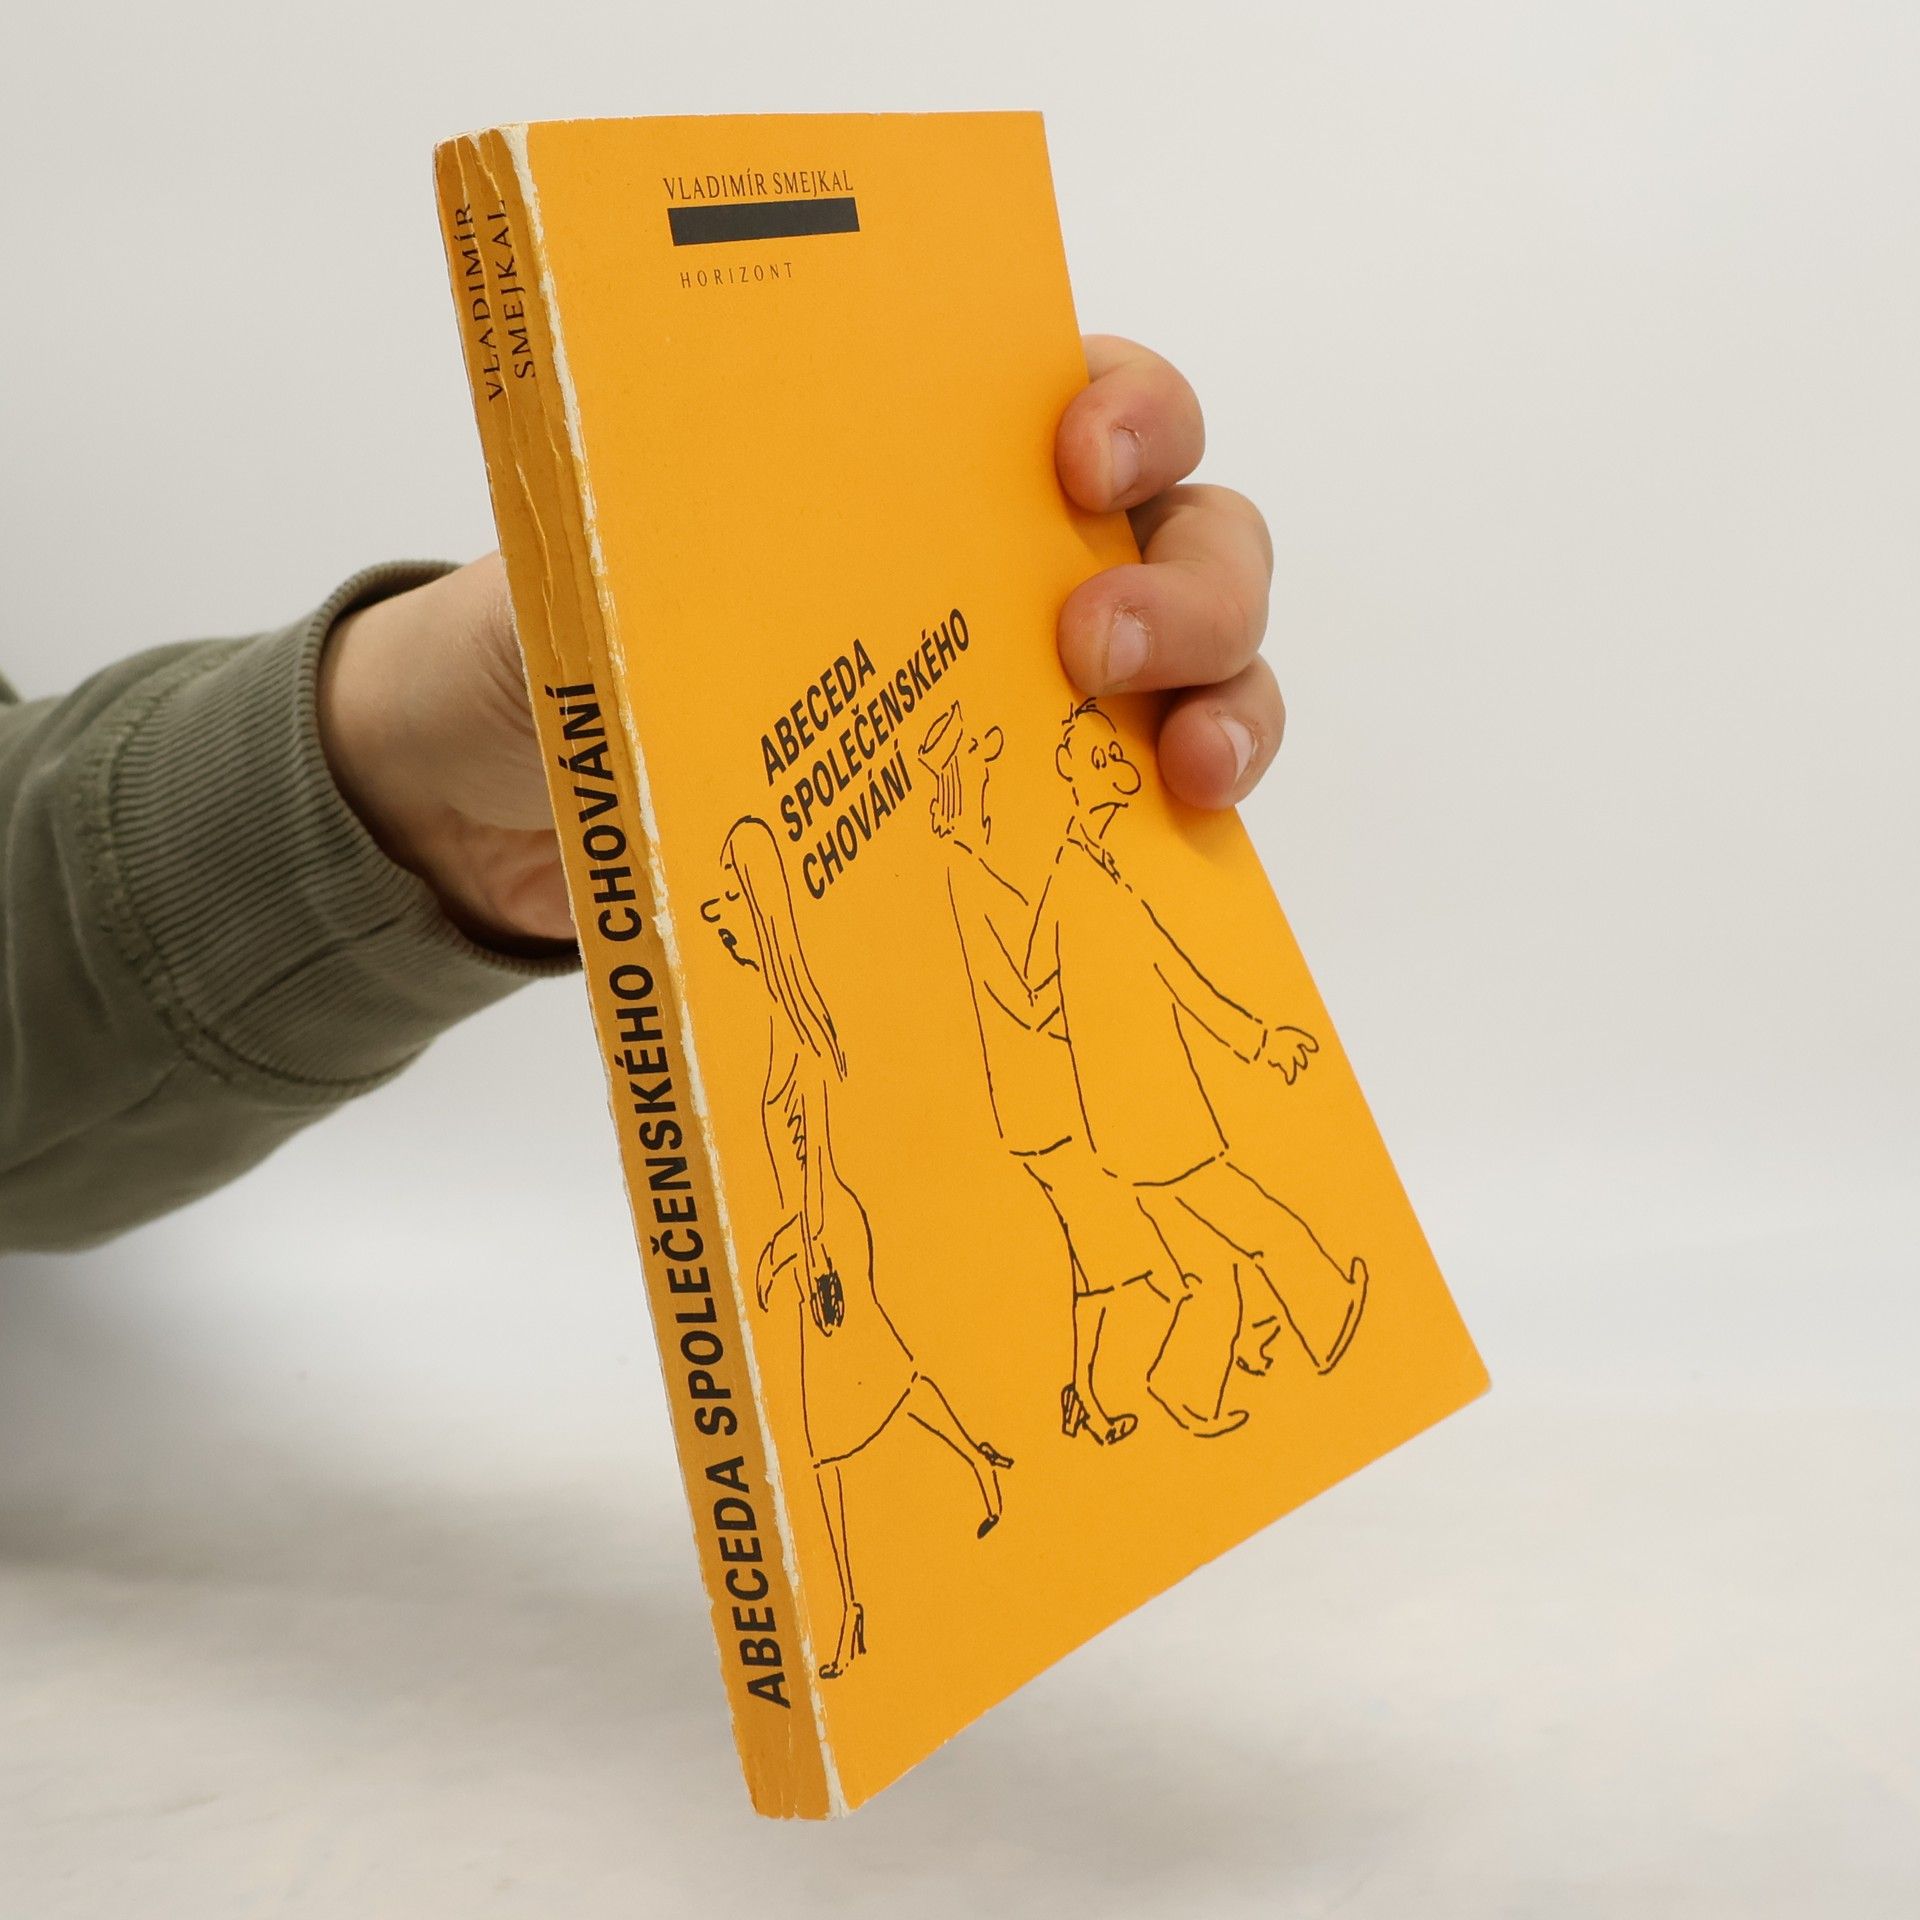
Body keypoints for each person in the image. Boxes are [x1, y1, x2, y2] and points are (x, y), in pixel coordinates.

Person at [0, 337, 1290, 1256]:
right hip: (1027, 1113)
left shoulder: (1052, 883)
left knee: (1159, 1209)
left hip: (1062, 1098)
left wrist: (391, 786)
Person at [708, 817, 1010, 1680]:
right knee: (889, 1377)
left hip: (827, 1234)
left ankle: (847, 1615)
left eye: (729, 897)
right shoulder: (780, 1014)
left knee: (823, 1441)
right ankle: (982, 1467)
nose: (716, 912)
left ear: (760, 907)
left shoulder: (797, 1026)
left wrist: (803, 1254)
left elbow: (812, 1158)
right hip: (819, 1230)